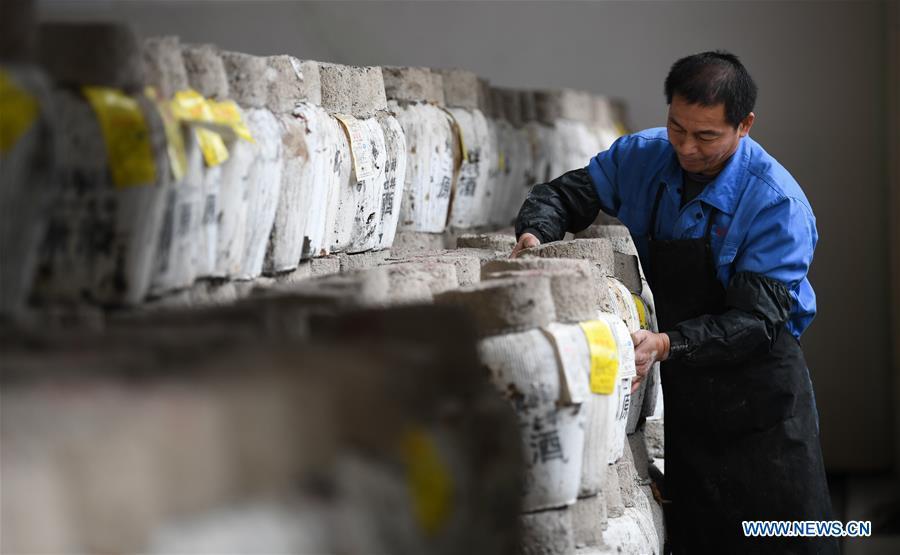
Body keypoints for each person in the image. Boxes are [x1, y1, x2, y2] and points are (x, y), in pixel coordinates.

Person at [512, 51, 838, 553]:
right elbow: (563, 196)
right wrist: (535, 235)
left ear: (744, 125)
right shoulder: (641, 157)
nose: (686, 147)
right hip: (688, 385)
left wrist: (666, 342)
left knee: (790, 535)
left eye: (706, 136)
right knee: (700, 535)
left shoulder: (776, 203)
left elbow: (755, 321)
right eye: (677, 127)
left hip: (762, 394)